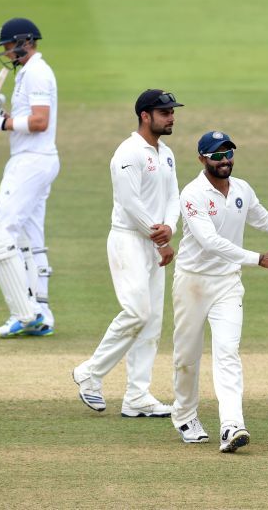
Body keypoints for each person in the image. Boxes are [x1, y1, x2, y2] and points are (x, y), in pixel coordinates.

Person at [172, 131, 268, 453]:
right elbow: (210, 242)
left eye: (228, 154)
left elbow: (264, 219)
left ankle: (232, 425)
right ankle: (185, 415)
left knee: (227, 353)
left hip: (227, 283)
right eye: (216, 156)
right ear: (202, 159)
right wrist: (259, 259)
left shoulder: (241, 189)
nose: (224, 160)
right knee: (187, 357)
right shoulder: (192, 194)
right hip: (193, 282)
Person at [72, 89, 183, 417]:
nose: (172, 117)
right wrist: (159, 236)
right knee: (136, 312)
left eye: (172, 111)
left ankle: (137, 396)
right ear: (145, 116)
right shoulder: (128, 152)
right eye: (164, 112)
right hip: (128, 241)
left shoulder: (167, 153)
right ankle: (90, 372)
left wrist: (170, 228)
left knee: (151, 322)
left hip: (154, 241)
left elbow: (173, 196)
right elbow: (129, 202)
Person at [0, 18, 59, 337]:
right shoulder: (29, 73)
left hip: (31, 162)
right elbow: (29, 115)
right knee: (30, 239)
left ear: (24, 42)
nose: (6, 53)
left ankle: (25, 313)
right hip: (37, 160)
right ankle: (42, 315)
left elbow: (39, 121)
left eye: (8, 46)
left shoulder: (35, 71)